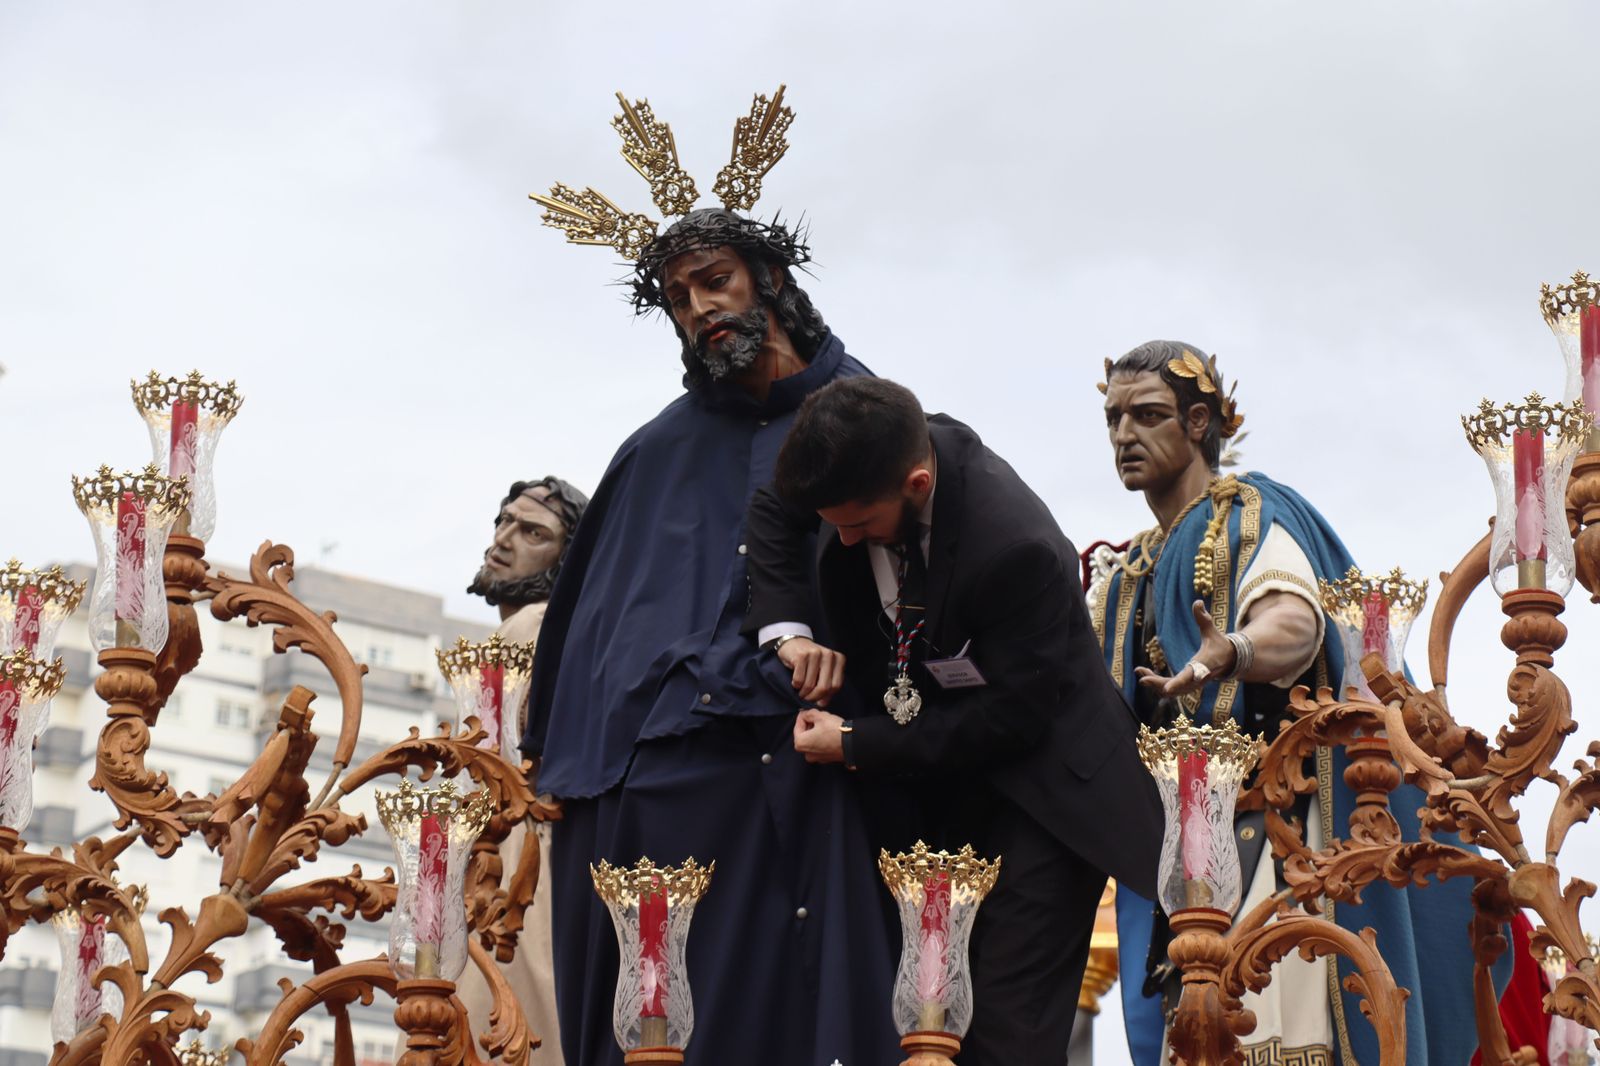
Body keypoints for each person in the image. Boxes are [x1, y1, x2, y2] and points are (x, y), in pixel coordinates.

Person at [519, 89, 900, 1066]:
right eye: (680, 297)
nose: (699, 308)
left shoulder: (867, 419)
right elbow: (584, 648)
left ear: (767, 275)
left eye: (715, 280)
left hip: (815, 764)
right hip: (660, 783)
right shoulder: (651, 454)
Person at [1090, 340, 1505, 1066]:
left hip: (1276, 835)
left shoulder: (1247, 512)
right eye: (1114, 417)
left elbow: (1293, 616)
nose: (1126, 434)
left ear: (1196, 424)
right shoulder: (1127, 571)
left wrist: (1231, 652)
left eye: (1148, 414)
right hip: (1178, 852)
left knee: (1282, 1021)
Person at [742, 376, 1163, 1066]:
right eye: (831, 523)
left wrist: (856, 742)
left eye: (857, 524)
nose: (842, 543)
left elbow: (1008, 720)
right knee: (921, 1023)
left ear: (914, 483)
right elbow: (772, 507)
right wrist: (788, 632)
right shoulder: (850, 457)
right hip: (934, 794)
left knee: (1002, 1031)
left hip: (1043, 797)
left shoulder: (1017, 544)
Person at [455, 476, 586, 1061]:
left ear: (568, 559)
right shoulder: (533, 629)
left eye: (533, 532)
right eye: (504, 522)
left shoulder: (533, 627)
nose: (504, 540)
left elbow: (487, 768)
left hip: (513, 865)